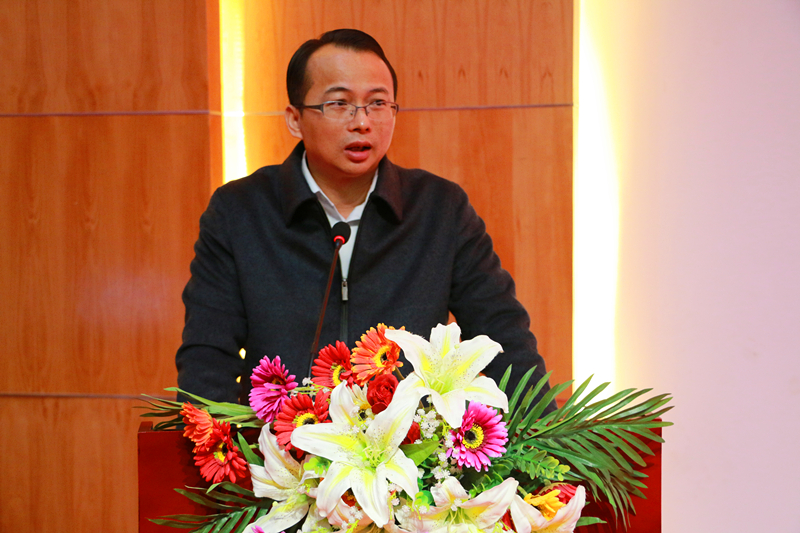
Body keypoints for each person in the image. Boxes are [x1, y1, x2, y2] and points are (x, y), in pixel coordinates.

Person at [176, 29, 554, 409]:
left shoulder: (439, 210)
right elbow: (208, 358)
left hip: (411, 443)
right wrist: (209, 438)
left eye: (377, 103)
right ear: (295, 119)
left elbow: (503, 336)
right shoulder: (240, 212)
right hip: (280, 441)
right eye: (339, 103)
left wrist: (547, 436)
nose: (362, 122)